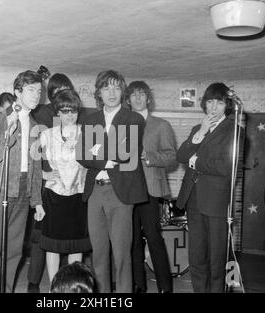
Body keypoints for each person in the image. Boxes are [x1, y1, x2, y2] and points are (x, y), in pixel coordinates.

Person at [76, 70, 148, 293]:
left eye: (116, 87)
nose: (112, 93)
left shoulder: (133, 118)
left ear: (122, 91)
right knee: (98, 252)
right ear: (99, 93)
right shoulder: (90, 120)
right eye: (106, 88)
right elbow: (82, 155)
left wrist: (97, 150)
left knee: (121, 253)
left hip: (121, 193)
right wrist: (103, 157)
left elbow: (124, 153)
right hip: (95, 193)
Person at [0, 70, 44, 293]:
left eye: (39, 90)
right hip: (0, 190)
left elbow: (36, 165)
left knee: (14, 251)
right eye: (31, 90)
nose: (37, 95)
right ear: (17, 92)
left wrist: (38, 201)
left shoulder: (35, 123)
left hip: (23, 191)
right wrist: (8, 134)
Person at [176, 82, 237, 293]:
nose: (213, 107)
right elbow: (181, 156)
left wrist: (196, 162)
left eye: (219, 103)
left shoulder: (234, 130)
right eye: (210, 101)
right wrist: (200, 132)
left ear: (226, 105)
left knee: (217, 258)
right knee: (197, 257)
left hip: (217, 203)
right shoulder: (196, 128)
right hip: (194, 199)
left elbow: (225, 166)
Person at [27, 73, 76, 293]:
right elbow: (33, 157)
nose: (62, 93)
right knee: (46, 241)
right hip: (50, 189)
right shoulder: (43, 121)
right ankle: (43, 285)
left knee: (72, 242)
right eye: (58, 90)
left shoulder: (81, 125)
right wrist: (45, 176)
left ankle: (72, 286)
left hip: (74, 191)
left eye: (66, 88)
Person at [125, 81, 175, 293]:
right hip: (126, 189)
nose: (137, 98)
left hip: (150, 189)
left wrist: (149, 156)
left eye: (141, 94)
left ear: (148, 99)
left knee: (154, 237)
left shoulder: (161, 125)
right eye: (133, 95)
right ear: (128, 100)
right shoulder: (122, 124)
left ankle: (165, 287)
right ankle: (139, 285)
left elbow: (172, 156)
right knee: (133, 240)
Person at [39, 89, 92, 283]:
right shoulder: (47, 135)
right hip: (54, 195)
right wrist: (44, 174)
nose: (69, 115)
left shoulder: (87, 134)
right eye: (65, 111)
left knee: (75, 246)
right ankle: (55, 286)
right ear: (58, 113)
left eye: (73, 111)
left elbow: (96, 162)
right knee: (53, 245)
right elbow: (29, 160)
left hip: (79, 196)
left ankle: (72, 285)